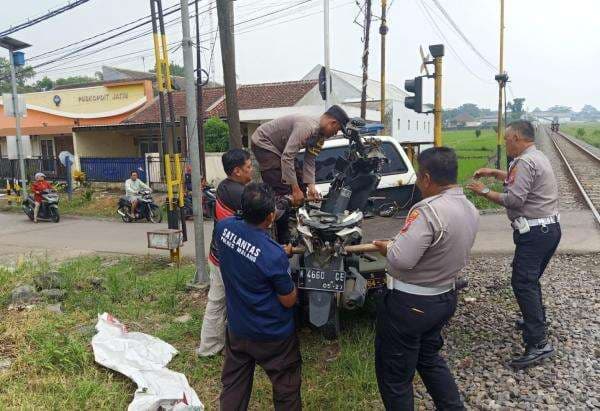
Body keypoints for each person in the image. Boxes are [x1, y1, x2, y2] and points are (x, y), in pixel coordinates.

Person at [372, 147, 479, 410]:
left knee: (395, 378)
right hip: (443, 297)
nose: (419, 183)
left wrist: (388, 248)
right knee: (429, 359)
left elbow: (401, 259)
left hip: (409, 305)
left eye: (419, 177)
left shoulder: (427, 211)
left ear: (428, 178)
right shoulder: (469, 208)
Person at [467, 120, 560, 369]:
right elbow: (520, 182)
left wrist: (483, 191)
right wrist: (495, 173)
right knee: (529, 281)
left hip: (535, 234)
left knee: (522, 282)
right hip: (548, 230)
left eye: (507, 139)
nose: (504, 143)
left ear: (517, 138)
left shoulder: (524, 162)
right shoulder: (536, 156)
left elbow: (515, 199)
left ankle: (538, 342)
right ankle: (535, 320)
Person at [216, 182, 300, 411]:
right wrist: (285, 264)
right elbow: (288, 300)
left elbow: (248, 251)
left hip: (238, 328)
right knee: (286, 387)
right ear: (271, 216)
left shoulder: (223, 228)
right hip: (272, 335)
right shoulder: (273, 255)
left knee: (234, 384)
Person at [250, 105, 349, 243]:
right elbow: (287, 157)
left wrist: (311, 186)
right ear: (332, 122)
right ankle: (282, 237)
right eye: (337, 129)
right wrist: (295, 190)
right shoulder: (307, 127)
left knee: (300, 181)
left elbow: (310, 159)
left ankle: (296, 222)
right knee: (284, 189)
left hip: (280, 150)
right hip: (263, 142)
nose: (335, 133)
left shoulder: (320, 136)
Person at [196, 148, 253, 357]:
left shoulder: (225, 186)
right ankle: (209, 348)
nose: (251, 170)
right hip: (225, 260)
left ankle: (214, 344)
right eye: (248, 167)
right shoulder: (238, 193)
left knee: (221, 301)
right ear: (237, 171)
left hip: (219, 256)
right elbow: (262, 210)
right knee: (219, 301)